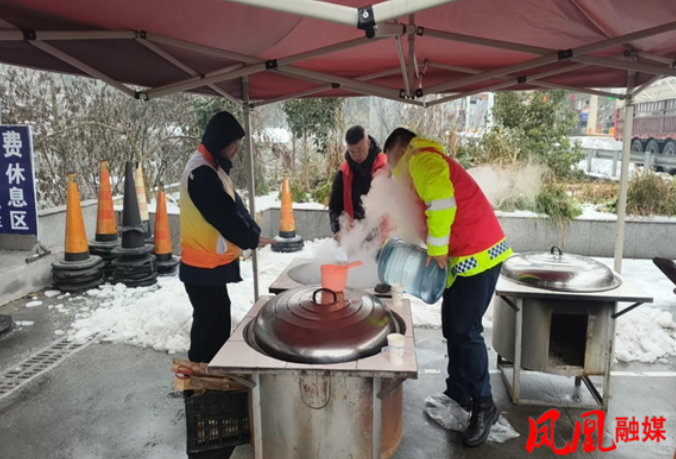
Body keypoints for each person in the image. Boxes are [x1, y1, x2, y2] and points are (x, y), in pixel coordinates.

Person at [383, 128, 512, 447]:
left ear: (399, 150)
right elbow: (420, 218)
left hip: (477, 253)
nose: (390, 170)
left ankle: (485, 405)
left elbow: (442, 204)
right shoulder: (419, 166)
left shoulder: (421, 159)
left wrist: (437, 250)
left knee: (466, 331)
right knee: (452, 326)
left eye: (389, 162)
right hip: (464, 256)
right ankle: (459, 392)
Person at [179, 111, 274, 363]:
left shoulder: (213, 167)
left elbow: (235, 206)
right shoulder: (201, 173)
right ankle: (210, 381)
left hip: (208, 266)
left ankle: (198, 377)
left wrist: (253, 233)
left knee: (207, 321)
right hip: (202, 267)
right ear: (221, 142)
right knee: (213, 326)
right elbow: (222, 215)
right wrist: (250, 239)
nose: (236, 150)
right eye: (233, 145)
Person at [328, 125, 387, 240]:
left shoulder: (384, 165)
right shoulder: (344, 171)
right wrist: (338, 229)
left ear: (368, 143)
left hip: (383, 236)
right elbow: (335, 205)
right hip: (354, 235)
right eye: (352, 151)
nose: (356, 155)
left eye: (359, 150)